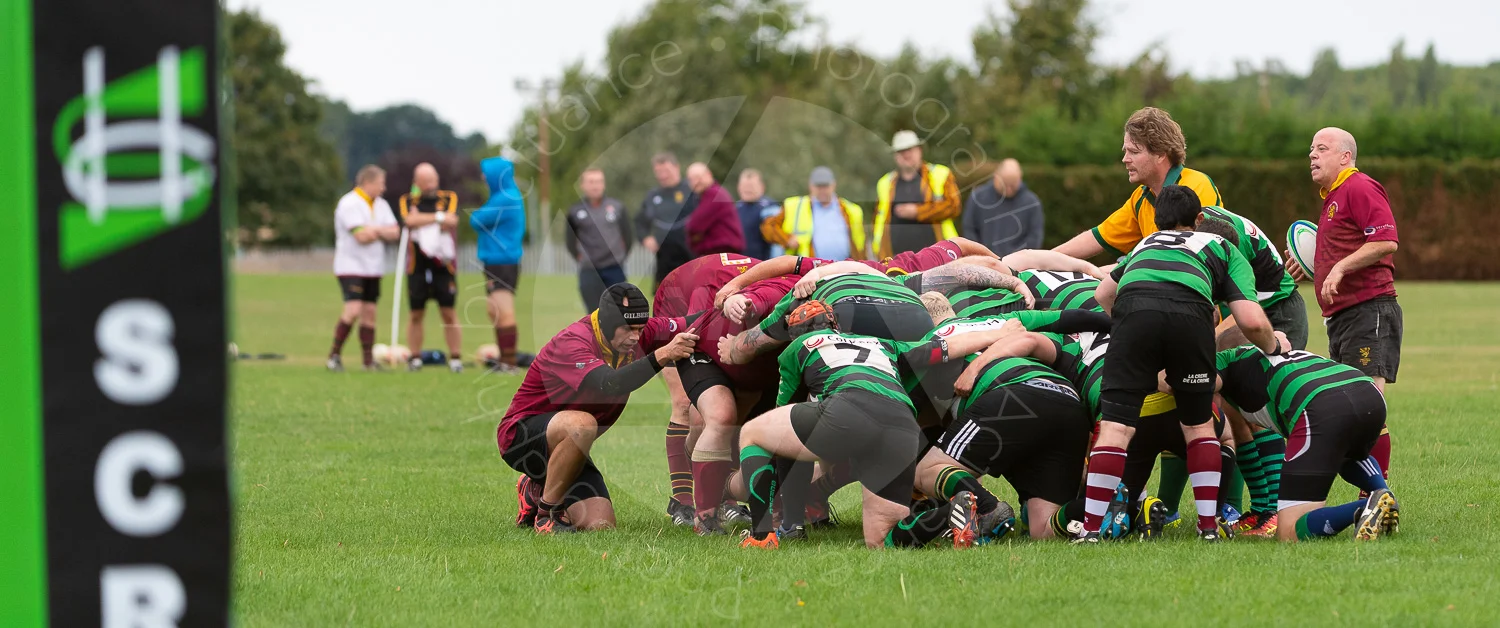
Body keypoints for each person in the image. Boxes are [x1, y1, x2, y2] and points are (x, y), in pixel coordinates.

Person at [1079, 185, 1277, 543]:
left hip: (1133, 316)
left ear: (1156, 222)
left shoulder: (1143, 245)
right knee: (1198, 426)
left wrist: (1132, 331)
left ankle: (1091, 529)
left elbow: (1102, 294)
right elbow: (1250, 320)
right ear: (1199, 220)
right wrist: (1274, 344)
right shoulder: (1221, 246)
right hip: (1190, 318)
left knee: (1115, 430)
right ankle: (1207, 528)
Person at [735, 300, 1015, 549]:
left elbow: (782, 421)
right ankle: (952, 510)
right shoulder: (882, 343)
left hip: (848, 409)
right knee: (882, 539)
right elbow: (945, 347)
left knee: (753, 433)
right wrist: (999, 334)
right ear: (836, 325)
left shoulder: (797, 347)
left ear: (795, 334)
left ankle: (761, 537)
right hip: (903, 424)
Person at [500, 284, 698, 534]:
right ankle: (547, 514)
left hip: (571, 445)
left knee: (600, 526)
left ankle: (535, 488)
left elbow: (691, 322)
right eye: (627, 329)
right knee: (583, 424)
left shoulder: (640, 332)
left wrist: (733, 301)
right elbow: (610, 384)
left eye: (640, 328)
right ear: (605, 324)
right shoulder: (573, 341)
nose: (636, 337)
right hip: (521, 437)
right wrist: (663, 354)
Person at [1290, 126, 1401, 482]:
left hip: (1370, 309)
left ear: (1345, 157)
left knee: (1368, 407)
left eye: (1321, 148)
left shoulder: (1359, 186)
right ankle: (1374, 494)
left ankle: (1376, 497)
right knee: (1351, 406)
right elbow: (1345, 247)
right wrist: (1313, 268)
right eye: (1311, 149)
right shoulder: (1333, 196)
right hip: (1343, 317)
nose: (1312, 155)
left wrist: (1338, 266)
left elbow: (1385, 241)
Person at [1210, 341, 1400, 542]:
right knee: (1345, 452)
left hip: (1321, 406)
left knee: (1289, 531)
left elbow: (1198, 382)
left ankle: (1366, 506)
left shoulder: (1222, 361)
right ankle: (1384, 496)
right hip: (1369, 393)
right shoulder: (1267, 351)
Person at [1053, 107, 1224, 260]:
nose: (1125, 159)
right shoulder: (1141, 198)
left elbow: (1177, 258)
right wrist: (1042, 259)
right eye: (1125, 151)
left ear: (1161, 154)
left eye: (1134, 151)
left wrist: (1104, 271)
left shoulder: (1196, 185)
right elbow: (1097, 237)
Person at [328, 165, 401, 371]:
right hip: (351, 265)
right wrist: (380, 230)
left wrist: (374, 230)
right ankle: (334, 356)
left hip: (373, 267)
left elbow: (395, 232)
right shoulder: (349, 203)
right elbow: (361, 236)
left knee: (370, 312)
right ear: (368, 183)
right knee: (353, 309)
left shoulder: (381, 205)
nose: (383, 188)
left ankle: (368, 361)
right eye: (380, 184)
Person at [399, 163, 464, 372]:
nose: (431, 185)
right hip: (416, 266)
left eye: (433, 180)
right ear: (416, 182)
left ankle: (455, 358)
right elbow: (409, 220)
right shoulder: (408, 200)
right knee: (416, 313)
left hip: (443, 266)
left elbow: (450, 222)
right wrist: (437, 217)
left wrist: (424, 220)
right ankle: (415, 357)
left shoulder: (448, 197)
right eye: (426, 181)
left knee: (448, 312)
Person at [470, 156, 528, 373]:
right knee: (493, 309)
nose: (483, 178)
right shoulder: (502, 196)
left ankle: (509, 362)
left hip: (502, 261)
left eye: (486, 174)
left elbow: (475, 219)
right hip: (496, 261)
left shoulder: (505, 198)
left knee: (503, 309)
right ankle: (505, 359)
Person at [872, 131, 962, 259]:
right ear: (895, 156)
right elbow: (878, 220)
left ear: (920, 150)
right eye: (901, 151)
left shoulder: (940, 174)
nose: (906, 154)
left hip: (939, 259)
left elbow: (954, 206)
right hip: (897, 262)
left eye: (910, 149)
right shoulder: (885, 183)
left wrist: (917, 212)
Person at [761, 166, 864, 261]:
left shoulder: (851, 210)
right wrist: (786, 239)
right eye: (818, 186)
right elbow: (768, 227)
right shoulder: (794, 206)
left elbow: (860, 246)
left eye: (825, 186)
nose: (822, 190)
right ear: (810, 186)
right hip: (809, 272)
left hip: (844, 270)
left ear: (833, 185)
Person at [566, 168, 632, 312]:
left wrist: (620, 256)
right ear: (583, 185)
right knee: (594, 314)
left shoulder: (617, 207)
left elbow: (627, 236)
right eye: (591, 182)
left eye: (598, 181)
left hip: (614, 268)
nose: (595, 186)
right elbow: (570, 241)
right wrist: (581, 258)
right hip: (589, 270)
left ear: (604, 184)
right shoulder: (575, 211)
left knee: (619, 312)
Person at [634, 152, 697, 290]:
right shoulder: (653, 196)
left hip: (692, 255)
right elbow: (639, 222)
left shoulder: (692, 191)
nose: (663, 175)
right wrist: (645, 238)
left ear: (677, 167)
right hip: (664, 258)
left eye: (666, 171)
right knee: (664, 300)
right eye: (658, 172)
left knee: (695, 296)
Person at [962, 158, 1044, 257]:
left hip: (1018, 264)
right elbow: (969, 228)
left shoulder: (1031, 202)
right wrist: (980, 254)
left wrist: (1016, 258)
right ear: (996, 176)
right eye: (1005, 184)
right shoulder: (978, 197)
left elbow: (1035, 235)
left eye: (1013, 184)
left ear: (1020, 179)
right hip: (983, 261)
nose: (1009, 189)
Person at [684, 163, 744, 256]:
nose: (695, 182)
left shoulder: (714, 195)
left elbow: (693, 226)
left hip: (722, 252)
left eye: (698, 177)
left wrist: (695, 237)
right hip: (720, 252)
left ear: (709, 174)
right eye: (691, 180)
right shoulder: (706, 196)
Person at [735, 169, 780, 259]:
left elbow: (777, 243)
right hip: (740, 263)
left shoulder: (771, 209)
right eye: (744, 186)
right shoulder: (736, 208)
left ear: (762, 187)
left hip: (764, 265)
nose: (748, 189)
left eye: (752, 186)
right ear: (738, 187)